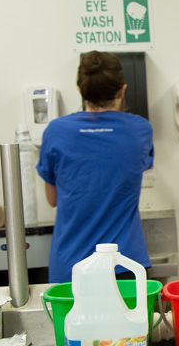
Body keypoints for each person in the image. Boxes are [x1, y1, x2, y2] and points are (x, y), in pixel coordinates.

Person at [37, 50, 154, 283]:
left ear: (80, 90)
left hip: (71, 267)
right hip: (124, 266)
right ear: (122, 90)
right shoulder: (140, 130)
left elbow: (53, 199)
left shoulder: (56, 131)